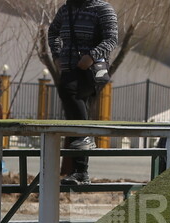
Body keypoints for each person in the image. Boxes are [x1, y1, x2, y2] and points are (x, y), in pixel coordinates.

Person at [48, 0, 119, 186]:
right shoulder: (66, 10)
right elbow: (52, 32)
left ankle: (84, 142)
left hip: (91, 70)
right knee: (73, 114)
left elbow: (111, 39)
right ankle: (80, 171)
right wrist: (56, 57)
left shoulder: (103, 9)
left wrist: (92, 56)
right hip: (68, 69)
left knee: (70, 93)